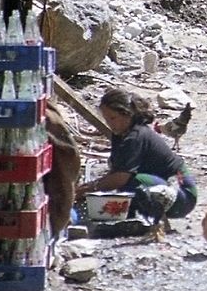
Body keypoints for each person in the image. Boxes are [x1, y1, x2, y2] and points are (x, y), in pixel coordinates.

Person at [77, 89, 198, 230]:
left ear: (127, 115)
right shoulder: (121, 134)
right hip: (162, 185)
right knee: (125, 187)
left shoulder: (135, 137)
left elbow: (120, 177)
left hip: (182, 195)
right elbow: (116, 171)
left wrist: (91, 188)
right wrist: (89, 188)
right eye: (107, 118)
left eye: (113, 118)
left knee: (131, 183)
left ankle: (157, 223)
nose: (109, 123)